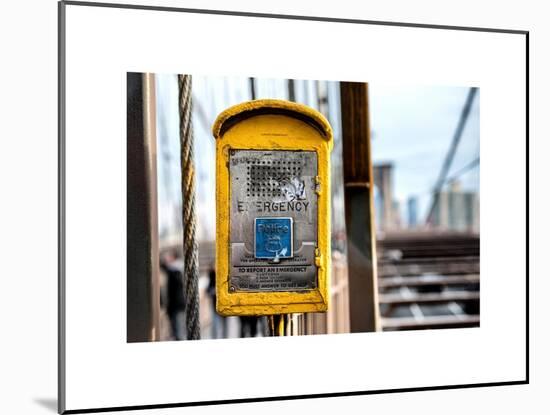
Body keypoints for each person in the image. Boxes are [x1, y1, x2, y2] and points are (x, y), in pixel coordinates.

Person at [160, 250, 186, 340]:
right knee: (175, 331)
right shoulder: (176, 270)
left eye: (169, 257)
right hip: (174, 306)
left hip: (177, 306)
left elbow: (165, 267)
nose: (168, 259)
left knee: (178, 332)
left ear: (173, 258)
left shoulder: (176, 270)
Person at [207, 267, 227, 339]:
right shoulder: (212, 277)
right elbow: (208, 291)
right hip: (215, 306)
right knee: (215, 325)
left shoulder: (225, 277)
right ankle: (214, 338)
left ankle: (225, 337)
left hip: (225, 306)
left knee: (225, 325)